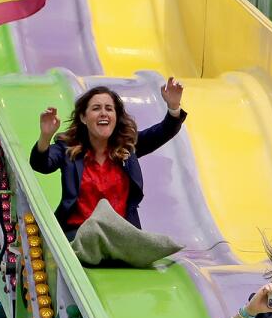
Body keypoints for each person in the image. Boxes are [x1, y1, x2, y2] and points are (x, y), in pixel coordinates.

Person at [30, 80, 186, 240]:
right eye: (96, 108)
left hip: (119, 236)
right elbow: (41, 164)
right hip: (78, 234)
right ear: (84, 117)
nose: (103, 113)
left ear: (116, 118)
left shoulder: (128, 147)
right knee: (89, 241)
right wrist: (45, 136)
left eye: (109, 109)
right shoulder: (67, 148)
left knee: (159, 242)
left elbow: (163, 131)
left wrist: (173, 107)